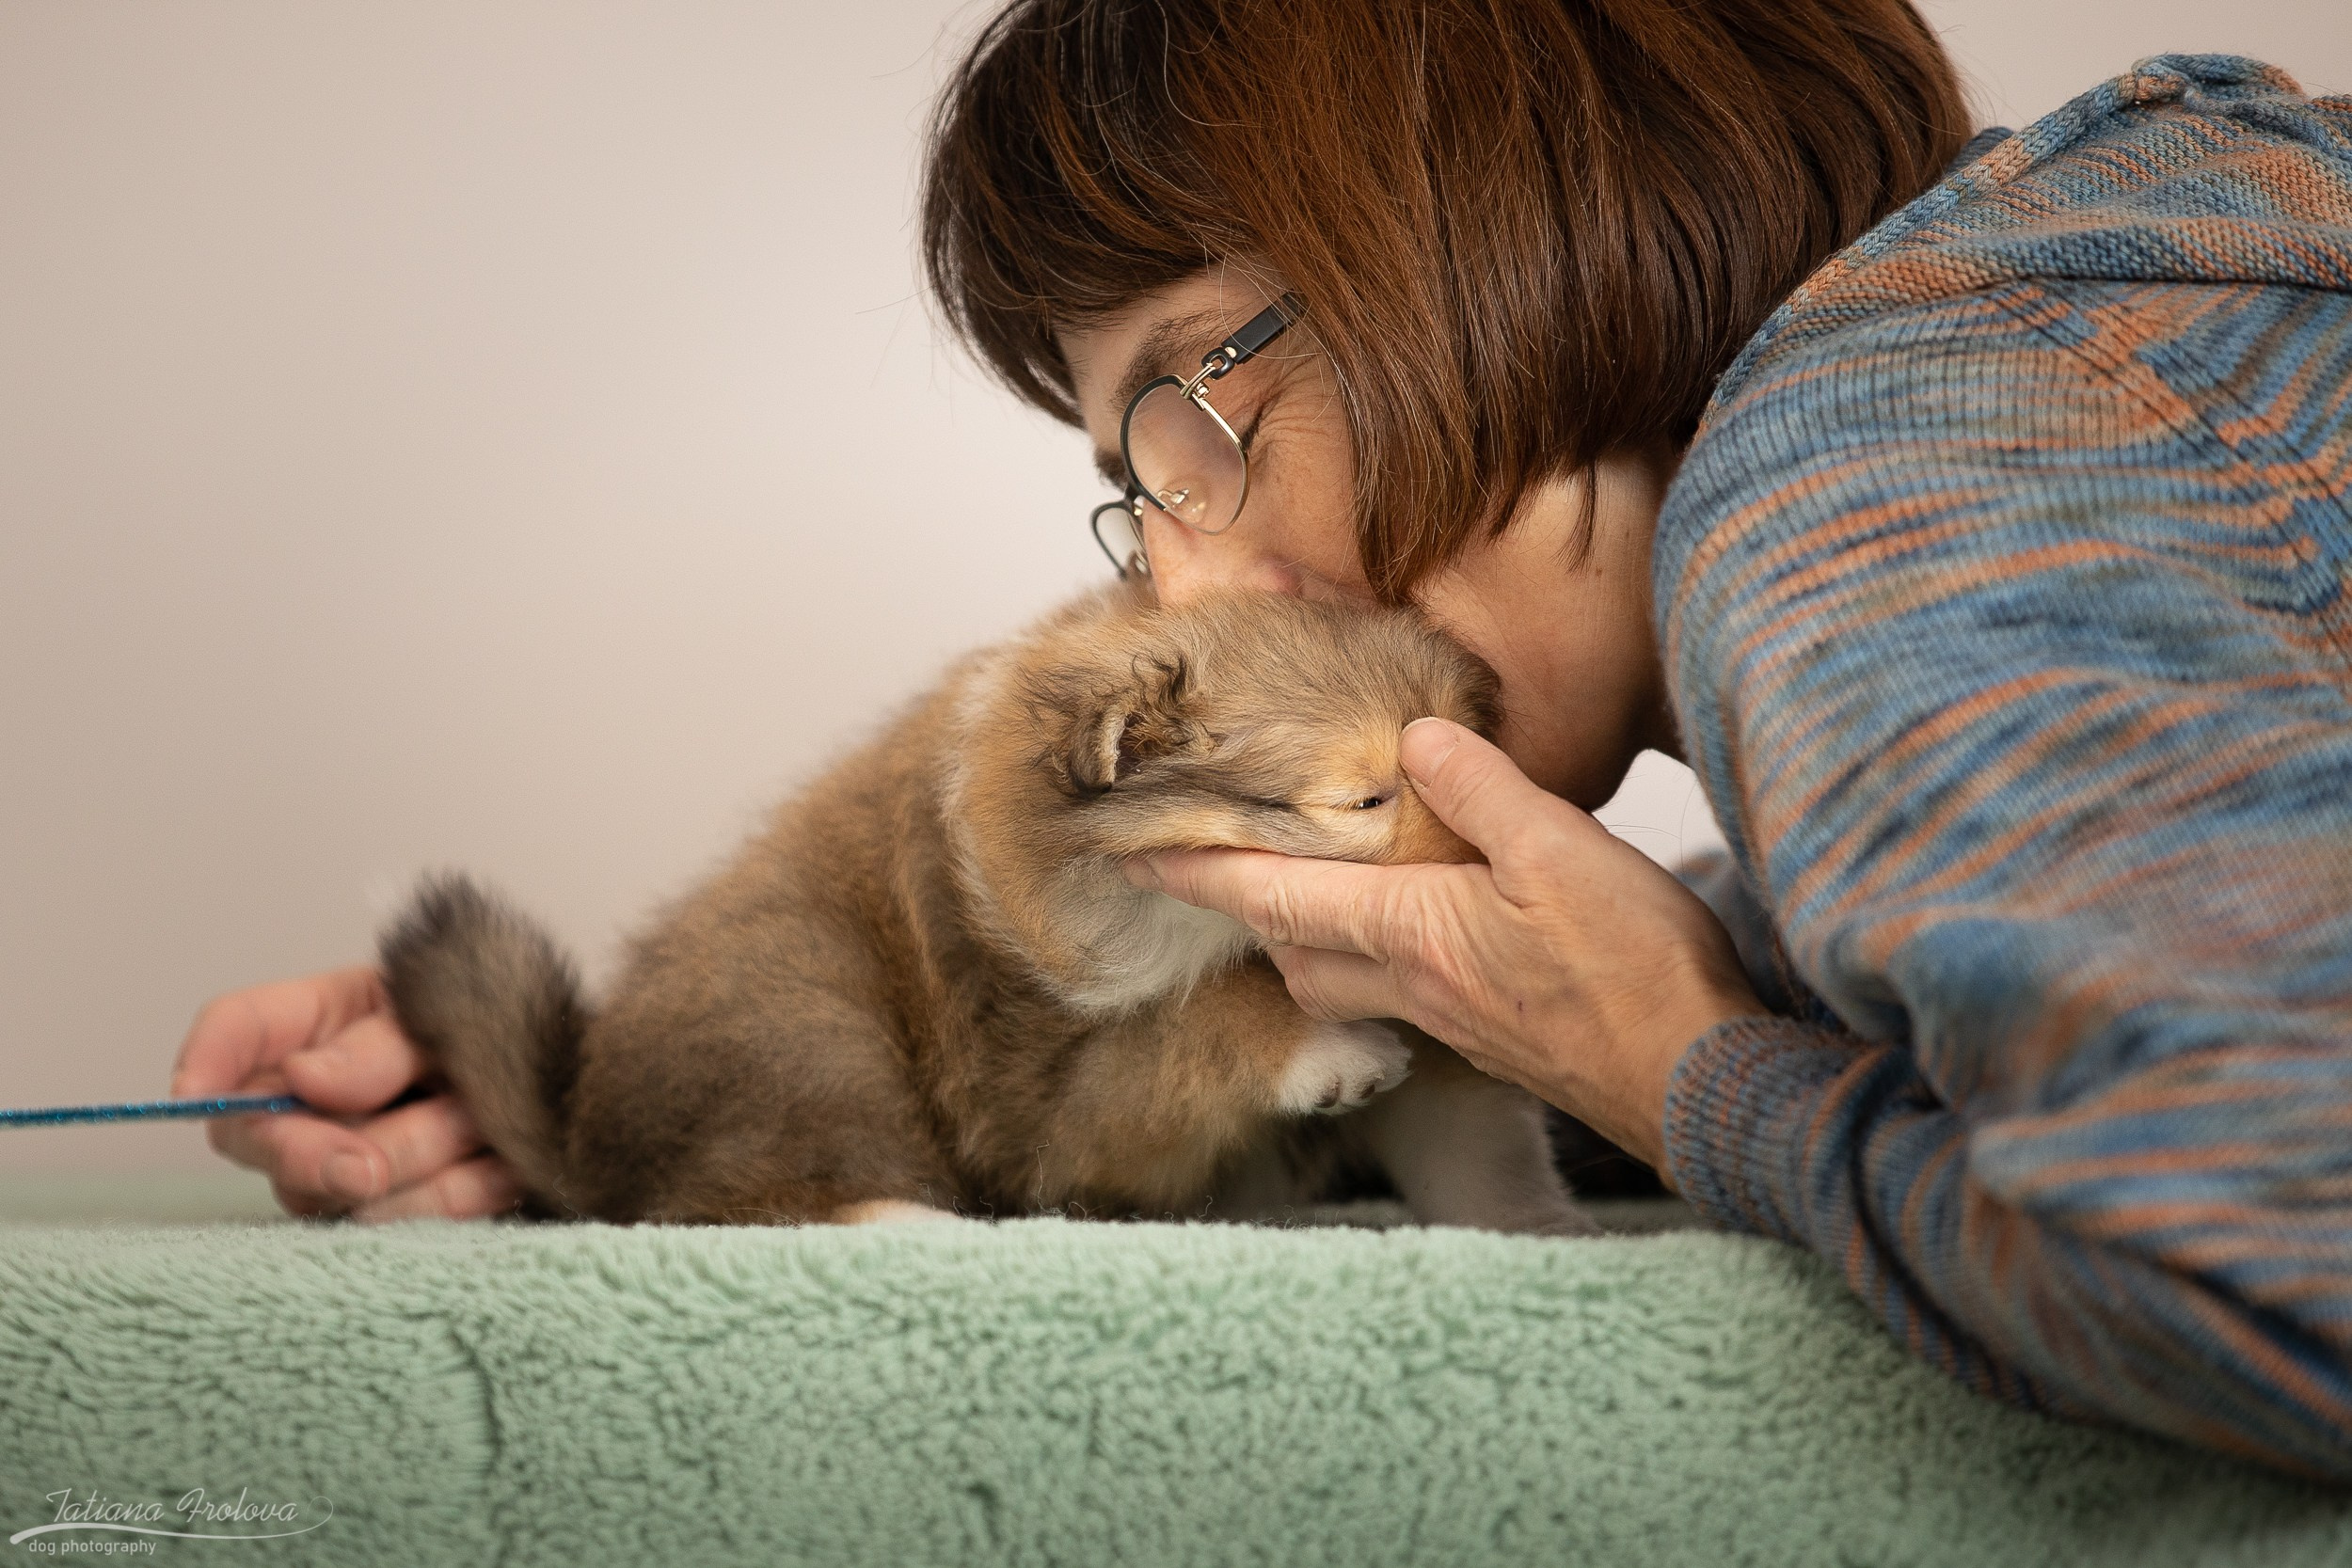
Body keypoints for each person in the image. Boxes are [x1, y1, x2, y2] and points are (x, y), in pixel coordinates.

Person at [171, 0, 2352, 1479]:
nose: (1186, 584)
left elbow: (2264, 1256)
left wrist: (1676, 1074)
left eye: (1196, 405)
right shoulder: (2063, 351)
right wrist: (625, 1117)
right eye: (1137, 488)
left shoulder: (1863, 486)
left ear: (1490, 197)